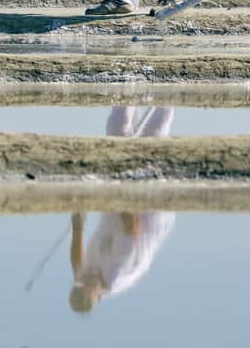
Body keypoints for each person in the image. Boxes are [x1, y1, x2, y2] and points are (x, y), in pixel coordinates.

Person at [68, 105, 176, 313]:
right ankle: (168, 93)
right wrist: (114, 191)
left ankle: (128, 86)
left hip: (115, 209)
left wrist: (78, 225)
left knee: (116, 131)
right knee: (149, 143)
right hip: (147, 214)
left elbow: (76, 262)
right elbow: (131, 225)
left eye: (79, 284)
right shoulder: (116, 272)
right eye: (86, 287)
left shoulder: (83, 279)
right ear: (96, 294)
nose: (83, 280)